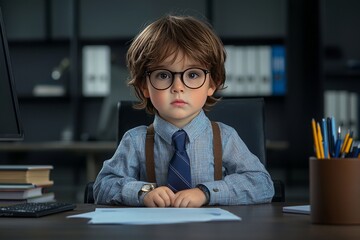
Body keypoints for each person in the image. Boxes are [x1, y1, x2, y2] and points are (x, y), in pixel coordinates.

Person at [93, 14, 274, 207]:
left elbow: (262, 184)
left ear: (212, 84)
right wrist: (143, 192)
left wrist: (207, 192)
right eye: (163, 75)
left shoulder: (225, 137)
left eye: (193, 74)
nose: (178, 87)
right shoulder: (134, 141)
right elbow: (102, 186)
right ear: (144, 86)